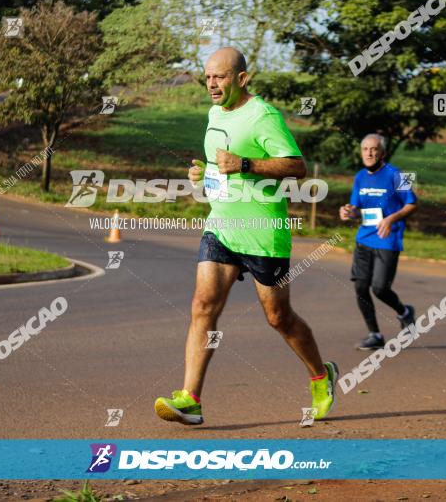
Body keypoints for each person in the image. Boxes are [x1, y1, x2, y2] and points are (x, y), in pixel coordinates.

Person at [154, 47, 337, 425]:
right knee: (203, 305)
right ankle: (190, 399)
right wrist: (202, 174)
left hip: (262, 232)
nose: (212, 84)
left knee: (278, 317)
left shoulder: (264, 115)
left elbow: (297, 166)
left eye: (219, 77)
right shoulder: (215, 112)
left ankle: (321, 375)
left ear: (242, 78)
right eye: (207, 77)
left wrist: (245, 165)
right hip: (221, 225)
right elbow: (218, 166)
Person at [339, 134, 418, 350]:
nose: (369, 153)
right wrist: (348, 212)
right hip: (364, 238)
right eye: (365, 149)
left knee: (380, 288)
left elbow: (412, 204)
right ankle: (374, 334)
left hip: (387, 239)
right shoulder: (359, 177)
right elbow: (356, 209)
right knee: (361, 287)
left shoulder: (397, 175)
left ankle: (405, 312)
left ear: (382, 152)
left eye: (374, 149)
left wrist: (391, 219)